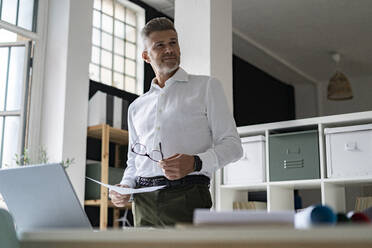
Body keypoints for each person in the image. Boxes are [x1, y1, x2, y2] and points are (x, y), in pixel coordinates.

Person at [109, 17, 243, 227]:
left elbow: (234, 147)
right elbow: (134, 161)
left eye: (173, 42)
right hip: (142, 204)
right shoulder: (136, 107)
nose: (169, 49)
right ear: (146, 56)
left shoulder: (206, 87)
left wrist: (195, 162)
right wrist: (125, 186)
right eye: (160, 45)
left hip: (188, 197)